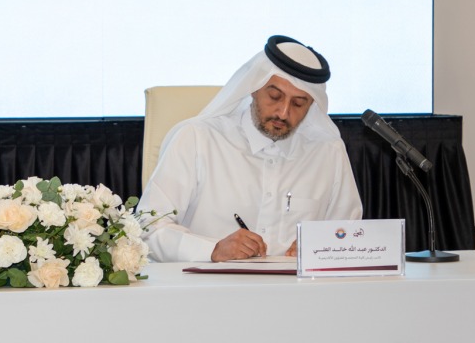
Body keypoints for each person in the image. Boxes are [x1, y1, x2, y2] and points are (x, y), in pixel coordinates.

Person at [139, 35, 363, 262]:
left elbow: (348, 235)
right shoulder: (197, 139)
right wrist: (212, 250)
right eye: (274, 96)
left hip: (295, 285)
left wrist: (323, 246)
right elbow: (149, 229)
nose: (283, 112)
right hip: (210, 283)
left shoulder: (328, 152)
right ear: (254, 87)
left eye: (298, 103)